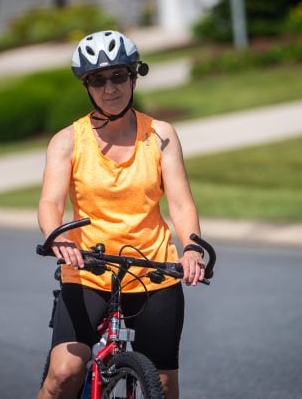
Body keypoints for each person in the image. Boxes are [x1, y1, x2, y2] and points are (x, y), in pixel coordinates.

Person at [37, 30, 205, 399]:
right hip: (87, 269)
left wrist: (191, 248)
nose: (109, 88)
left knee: (161, 385)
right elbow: (50, 203)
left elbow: (179, 203)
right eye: (97, 80)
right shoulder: (67, 140)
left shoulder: (161, 135)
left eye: (118, 76)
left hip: (154, 269)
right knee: (64, 373)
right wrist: (58, 236)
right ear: (87, 86)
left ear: (133, 76)